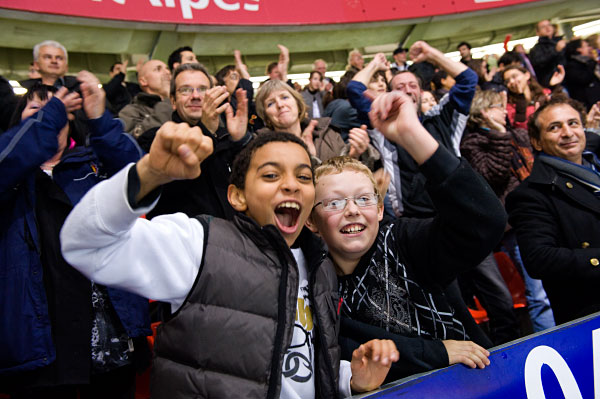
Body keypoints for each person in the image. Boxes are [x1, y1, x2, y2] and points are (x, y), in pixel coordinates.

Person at [60, 126, 401, 398]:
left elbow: (296, 361)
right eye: (270, 176)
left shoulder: (320, 265)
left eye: (303, 176)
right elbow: (85, 244)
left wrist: (349, 380)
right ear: (237, 196)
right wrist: (148, 173)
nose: (291, 185)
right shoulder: (201, 244)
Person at [306, 89, 506, 380]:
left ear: (379, 209)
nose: (352, 210)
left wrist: (412, 134)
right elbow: (345, 345)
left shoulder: (403, 241)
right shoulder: (314, 279)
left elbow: (485, 221)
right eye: (335, 203)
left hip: (474, 378)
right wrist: (436, 352)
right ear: (312, 221)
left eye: (364, 199)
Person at [0, 74, 149, 397]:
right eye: (36, 109)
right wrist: (53, 111)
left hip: (107, 341)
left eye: (55, 109)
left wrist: (98, 117)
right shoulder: (8, 173)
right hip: (38, 346)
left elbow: (138, 176)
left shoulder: (92, 165)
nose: (47, 114)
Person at [460, 89, 555, 333]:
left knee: (548, 287)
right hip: (514, 224)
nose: (503, 111)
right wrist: (499, 136)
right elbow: (493, 176)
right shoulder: (473, 143)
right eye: (496, 107)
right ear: (482, 113)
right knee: (539, 293)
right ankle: (551, 340)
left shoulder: (517, 135)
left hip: (540, 214)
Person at [506, 95, 600, 325]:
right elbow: (540, 258)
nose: (567, 133)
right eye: (554, 128)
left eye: (573, 123)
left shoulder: (594, 165)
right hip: (590, 315)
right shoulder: (532, 194)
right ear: (537, 142)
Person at [137, 62, 251, 220]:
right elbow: (166, 188)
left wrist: (240, 140)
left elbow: (251, 184)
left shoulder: (227, 136)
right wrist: (206, 130)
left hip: (236, 236)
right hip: (184, 240)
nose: (196, 96)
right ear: (173, 101)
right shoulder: (156, 138)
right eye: (185, 90)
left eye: (203, 89)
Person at [255, 79, 378, 169]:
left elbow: (345, 177)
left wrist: (354, 155)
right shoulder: (261, 147)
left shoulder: (327, 132)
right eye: (270, 103)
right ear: (267, 117)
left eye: (285, 97)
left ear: (298, 105)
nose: (280, 105)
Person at [118, 59, 172, 137]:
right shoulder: (131, 111)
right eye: (158, 69)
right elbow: (138, 140)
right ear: (143, 81)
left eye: (167, 69)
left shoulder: (183, 104)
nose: (168, 72)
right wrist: (168, 100)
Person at [502, 65, 557, 130]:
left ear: (527, 75)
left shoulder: (544, 93)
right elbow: (521, 129)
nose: (511, 82)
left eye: (514, 76)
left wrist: (555, 87)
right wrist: (520, 97)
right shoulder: (509, 106)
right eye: (507, 81)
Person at [564, 38, 600, 110]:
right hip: (588, 103)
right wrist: (593, 62)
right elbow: (585, 78)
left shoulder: (587, 62)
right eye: (587, 46)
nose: (590, 48)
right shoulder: (572, 66)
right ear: (579, 49)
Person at [529, 19, 566, 88]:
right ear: (538, 32)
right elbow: (538, 62)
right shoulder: (536, 49)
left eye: (549, 25)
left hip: (568, 81)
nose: (547, 28)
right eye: (543, 27)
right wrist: (556, 50)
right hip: (552, 83)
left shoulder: (559, 41)